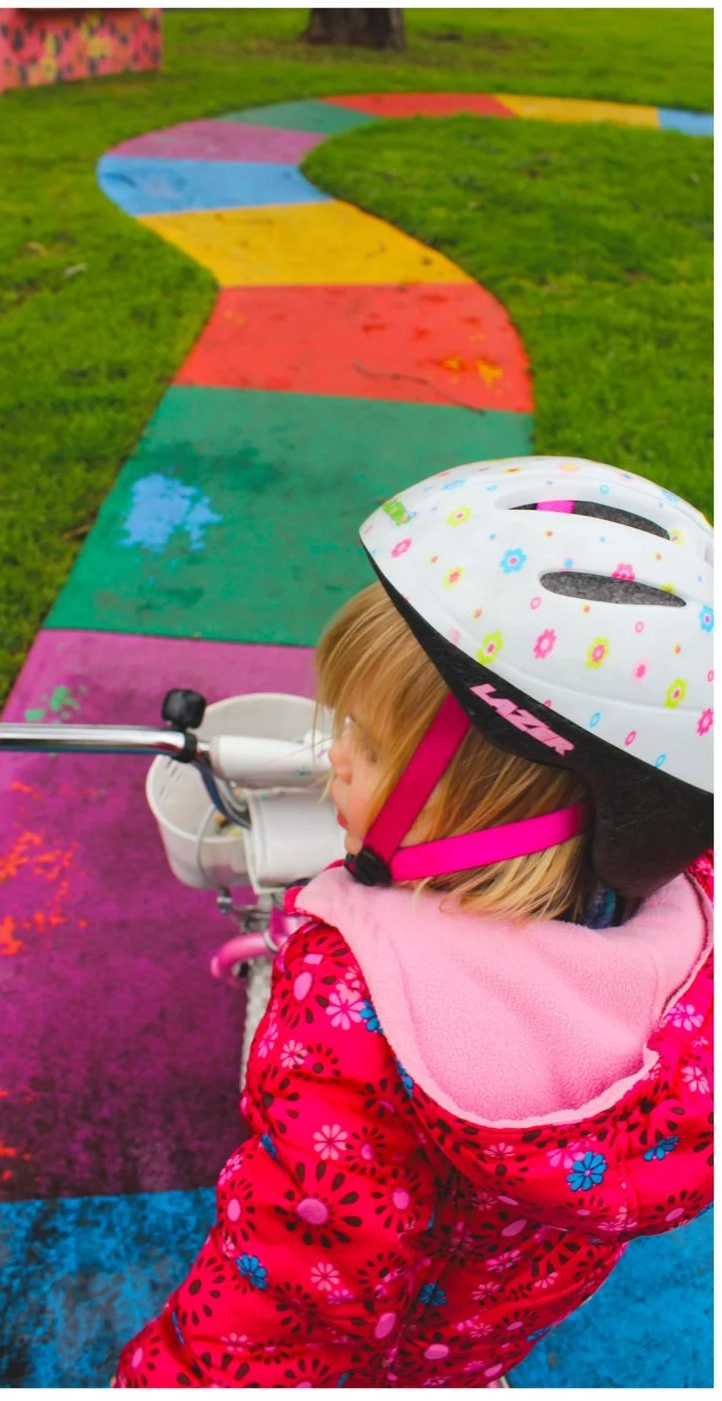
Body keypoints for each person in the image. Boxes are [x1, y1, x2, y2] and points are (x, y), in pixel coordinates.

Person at [116, 458, 714, 1387]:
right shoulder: (689, 933)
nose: (332, 762)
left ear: (496, 803)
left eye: (364, 739)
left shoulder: (354, 1013)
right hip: (483, 1328)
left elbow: (292, 1289)